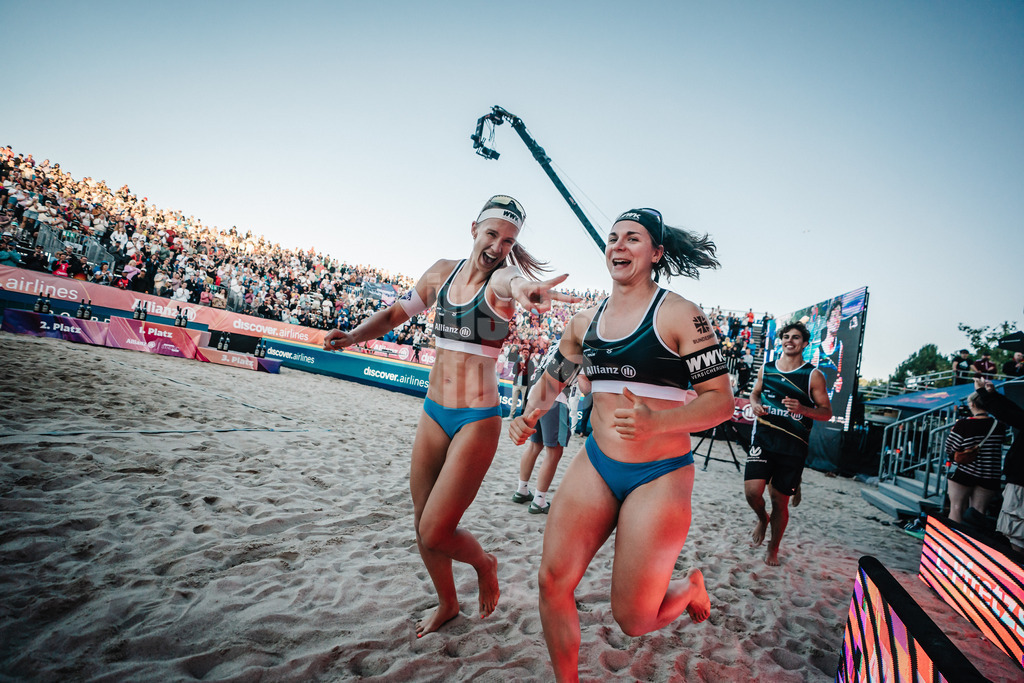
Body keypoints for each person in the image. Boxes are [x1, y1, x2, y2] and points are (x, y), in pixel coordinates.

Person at [322, 195, 577, 638]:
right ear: (474, 228)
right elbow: (392, 314)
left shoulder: (502, 281)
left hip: (475, 419)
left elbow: (512, 284)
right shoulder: (442, 272)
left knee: (438, 529)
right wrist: (352, 338)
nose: (498, 246)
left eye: (508, 240)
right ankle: (448, 603)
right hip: (434, 412)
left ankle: (484, 562)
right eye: (492, 234)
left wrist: (526, 290)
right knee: (422, 526)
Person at [509, 207, 733, 681]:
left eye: (633, 238)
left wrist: (658, 422)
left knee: (633, 620)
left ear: (656, 252)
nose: (619, 245)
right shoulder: (584, 321)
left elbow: (721, 404)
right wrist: (530, 412)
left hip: (660, 474)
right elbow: (553, 379)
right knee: (552, 582)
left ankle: (691, 587)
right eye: (613, 238)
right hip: (599, 462)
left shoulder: (680, 314)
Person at [744, 321, 832, 566]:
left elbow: (826, 412)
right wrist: (753, 404)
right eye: (785, 337)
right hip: (764, 438)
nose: (789, 341)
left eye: (795, 337)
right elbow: (755, 393)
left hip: (793, 446)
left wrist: (804, 409)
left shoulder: (813, 375)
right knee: (752, 493)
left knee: (779, 501)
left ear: (804, 344)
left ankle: (773, 549)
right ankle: (763, 518)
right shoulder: (768, 368)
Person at [511, 343, 580, 514]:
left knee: (535, 446)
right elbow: (585, 384)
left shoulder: (560, 341)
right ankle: (539, 501)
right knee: (554, 451)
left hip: (537, 391)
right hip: (556, 396)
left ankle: (522, 489)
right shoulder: (581, 344)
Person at [973, 378, 1024, 553]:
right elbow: (1017, 414)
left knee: (1015, 533)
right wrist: (992, 395)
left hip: (1021, 482)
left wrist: (984, 395)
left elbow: (1013, 416)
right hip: (1018, 479)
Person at [944, 389, 1006, 524]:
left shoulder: (963, 424)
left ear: (972, 404)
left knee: (956, 507)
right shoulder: (999, 426)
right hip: (990, 474)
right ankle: (973, 542)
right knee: (978, 513)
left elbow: (949, 448)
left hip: (965, 470)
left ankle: (954, 541)